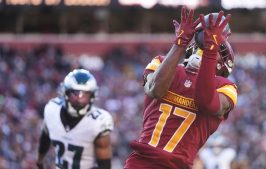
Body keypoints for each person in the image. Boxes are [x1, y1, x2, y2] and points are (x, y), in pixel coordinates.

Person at [124, 7, 237, 169]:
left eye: (216, 47)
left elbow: (205, 102)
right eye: (205, 43)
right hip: (142, 162)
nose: (204, 46)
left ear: (222, 65)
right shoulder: (161, 63)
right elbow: (155, 90)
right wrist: (180, 42)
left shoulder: (226, 87)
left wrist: (210, 52)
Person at [36, 69, 114, 169]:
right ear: (66, 93)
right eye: (75, 93)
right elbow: (45, 137)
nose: (79, 99)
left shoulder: (99, 122)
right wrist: (39, 161)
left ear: (92, 96)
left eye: (84, 94)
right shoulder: (52, 109)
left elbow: (105, 165)